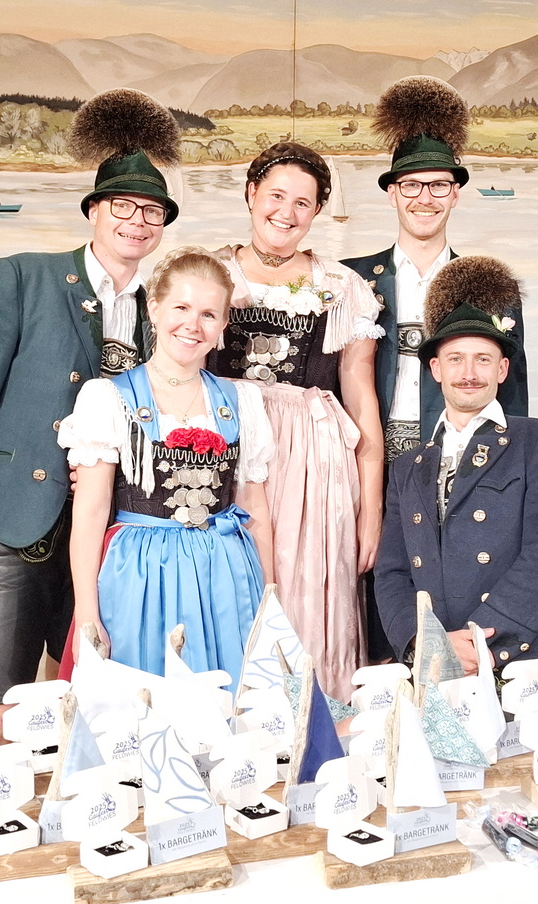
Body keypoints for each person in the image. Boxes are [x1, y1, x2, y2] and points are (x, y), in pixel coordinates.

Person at [0, 89, 179, 735]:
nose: (138, 221)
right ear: (94, 209)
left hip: (112, 528)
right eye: (123, 205)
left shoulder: (161, 309)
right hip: (17, 517)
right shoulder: (20, 277)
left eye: (153, 211)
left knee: (86, 691)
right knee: (2, 700)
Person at [209, 141, 383, 702]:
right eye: (276, 195)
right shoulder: (209, 273)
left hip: (313, 463)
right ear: (250, 194)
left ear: (318, 211)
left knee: (307, 591)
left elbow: (362, 402)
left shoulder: (342, 287)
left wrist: (371, 511)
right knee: (230, 586)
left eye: (303, 202)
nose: (286, 212)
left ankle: (314, 724)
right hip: (223, 449)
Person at [60, 248, 274, 685]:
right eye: (181, 308)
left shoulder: (242, 401)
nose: (193, 325)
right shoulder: (109, 398)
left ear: (223, 325)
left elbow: (256, 509)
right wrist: (86, 612)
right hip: (140, 574)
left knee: (234, 695)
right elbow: (91, 512)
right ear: (154, 309)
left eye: (209, 314)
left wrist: (269, 601)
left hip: (226, 574)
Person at [376, 256, 538, 674]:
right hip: (434, 660)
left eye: (483, 359)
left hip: (514, 657)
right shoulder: (408, 465)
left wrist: (479, 642)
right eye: (455, 359)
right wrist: (422, 642)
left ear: (503, 369)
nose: (468, 373)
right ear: (435, 369)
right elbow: (392, 572)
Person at [342, 76, 529, 465]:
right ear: (392, 193)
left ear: (455, 193)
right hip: (361, 457)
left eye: (439, 185)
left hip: (460, 456)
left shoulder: (491, 287)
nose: (424, 198)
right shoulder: (350, 279)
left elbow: (511, 394)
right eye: (411, 185)